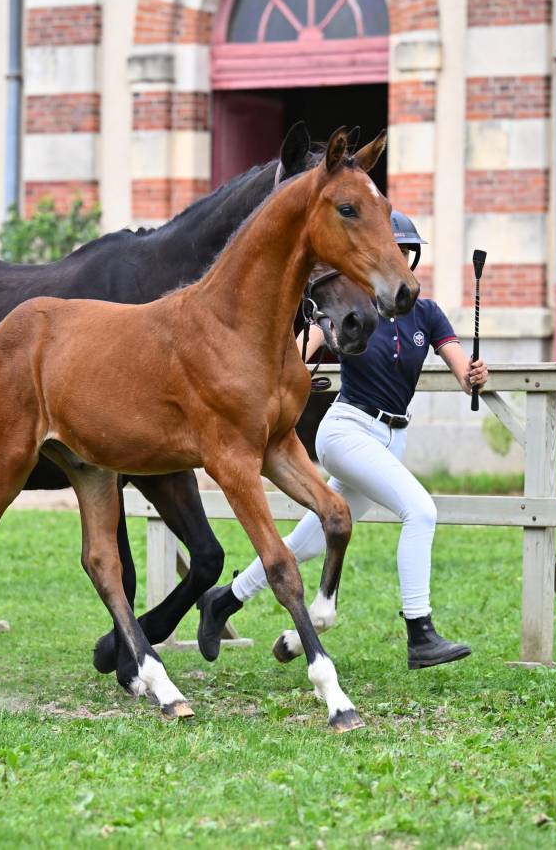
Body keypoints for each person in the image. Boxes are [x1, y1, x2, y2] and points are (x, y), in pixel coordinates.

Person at [196, 210, 489, 670]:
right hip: (347, 430)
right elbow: (291, 356)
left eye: (406, 254)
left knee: (308, 541)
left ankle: (224, 600)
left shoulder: (427, 314)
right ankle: (420, 632)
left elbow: (463, 375)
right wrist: (293, 380)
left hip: (392, 439)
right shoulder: (350, 306)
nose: (400, 261)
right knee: (422, 510)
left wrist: (474, 375)